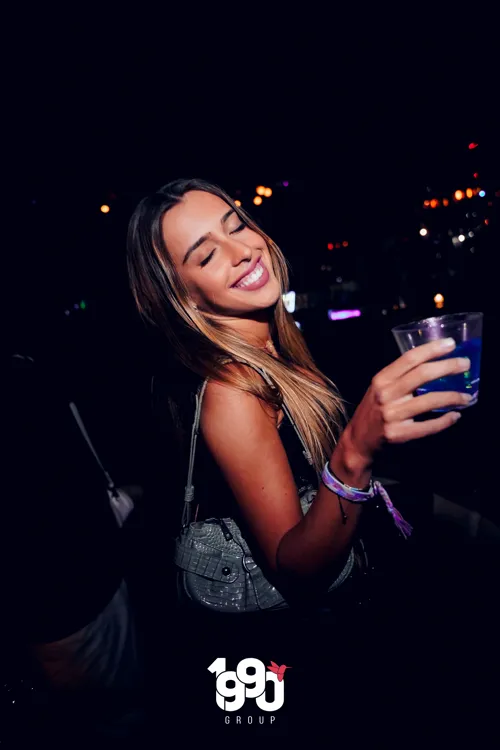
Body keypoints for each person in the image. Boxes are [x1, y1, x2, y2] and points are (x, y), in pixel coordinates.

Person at [126, 178, 471, 735]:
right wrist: (356, 448)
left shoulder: (276, 348)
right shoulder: (234, 388)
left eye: (237, 225)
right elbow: (297, 568)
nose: (243, 252)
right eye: (208, 254)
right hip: (300, 672)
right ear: (184, 295)